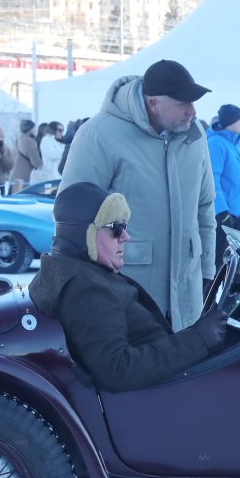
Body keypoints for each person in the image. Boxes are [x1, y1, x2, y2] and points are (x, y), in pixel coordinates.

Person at [61, 58, 217, 329]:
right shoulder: (99, 135)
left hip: (186, 298)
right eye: (182, 104)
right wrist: (81, 290)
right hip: (125, 295)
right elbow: (71, 218)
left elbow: (204, 208)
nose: (192, 111)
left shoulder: (195, 137)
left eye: (193, 102)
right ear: (153, 103)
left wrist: (206, 272)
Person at [27, 183, 229, 392]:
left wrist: (196, 335)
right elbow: (117, 371)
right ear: (85, 233)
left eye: (124, 226)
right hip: (155, 399)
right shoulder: (86, 290)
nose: (125, 236)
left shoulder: (69, 270)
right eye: (116, 228)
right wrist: (198, 339)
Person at [206, 103, 240, 260]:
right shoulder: (215, 144)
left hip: (238, 217)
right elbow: (212, 180)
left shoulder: (236, 145)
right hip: (225, 217)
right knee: (220, 263)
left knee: (238, 265)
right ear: (233, 121)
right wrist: (221, 212)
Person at [14, 119, 41, 193]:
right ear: (30, 129)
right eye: (34, 128)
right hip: (24, 176)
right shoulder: (30, 142)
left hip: (15, 175)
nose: (35, 130)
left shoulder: (19, 139)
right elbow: (36, 162)